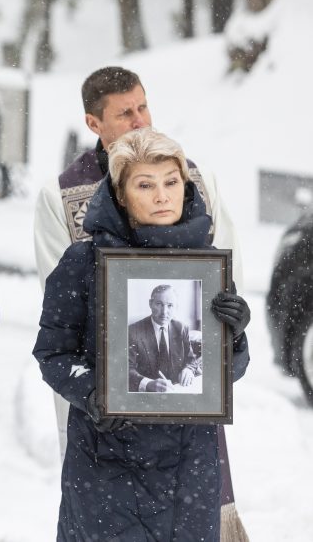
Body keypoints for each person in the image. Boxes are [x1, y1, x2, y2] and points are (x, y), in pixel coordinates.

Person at [32, 66, 249, 536]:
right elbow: (59, 338)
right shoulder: (65, 207)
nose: (139, 120)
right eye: (145, 186)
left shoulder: (197, 184)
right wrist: (98, 392)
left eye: (142, 106)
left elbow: (221, 294)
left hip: (187, 445)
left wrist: (232, 328)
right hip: (108, 439)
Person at [128, 284, 200, 392]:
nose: (164, 312)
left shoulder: (181, 328)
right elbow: (126, 368)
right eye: (159, 304)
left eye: (170, 305)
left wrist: (189, 369)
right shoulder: (133, 331)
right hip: (149, 395)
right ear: (150, 304)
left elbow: (191, 359)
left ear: (176, 307)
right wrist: (147, 384)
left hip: (178, 390)